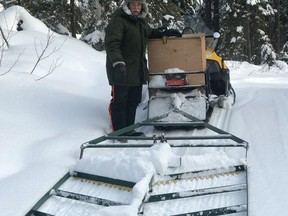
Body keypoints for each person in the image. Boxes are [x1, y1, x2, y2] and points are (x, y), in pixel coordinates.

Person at [105, 0, 181, 135]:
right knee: (120, 101)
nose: (136, 7)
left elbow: (150, 33)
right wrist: (118, 63)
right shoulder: (119, 21)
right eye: (133, 4)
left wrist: (165, 33)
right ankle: (119, 132)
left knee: (133, 100)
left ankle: (129, 129)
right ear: (127, 6)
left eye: (139, 5)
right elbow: (112, 44)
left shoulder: (140, 22)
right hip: (120, 69)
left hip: (136, 70)